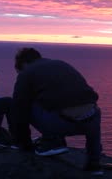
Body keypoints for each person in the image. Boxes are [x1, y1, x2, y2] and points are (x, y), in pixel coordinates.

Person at [10, 47, 103, 175]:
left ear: (23, 64)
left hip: (61, 124)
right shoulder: (61, 64)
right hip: (90, 122)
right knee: (92, 109)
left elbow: (19, 109)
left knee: (21, 104)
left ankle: (52, 141)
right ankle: (94, 165)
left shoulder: (27, 73)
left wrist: (24, 144)